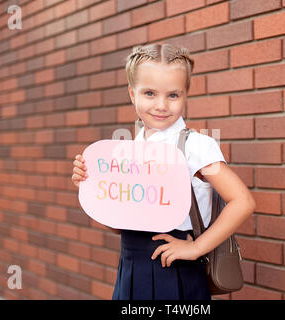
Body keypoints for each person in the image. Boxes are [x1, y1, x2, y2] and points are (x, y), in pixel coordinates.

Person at [71, 43, 256, 300]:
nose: (161, 105)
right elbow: (119, 226)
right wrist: (91, 188)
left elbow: (242, 201)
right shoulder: (129, 151)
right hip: (132, 266)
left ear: (186, 95)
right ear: (132, 94)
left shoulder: (197, 146)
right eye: (149, 93)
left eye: (173, 95)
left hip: (176, 270)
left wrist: (197, 248)